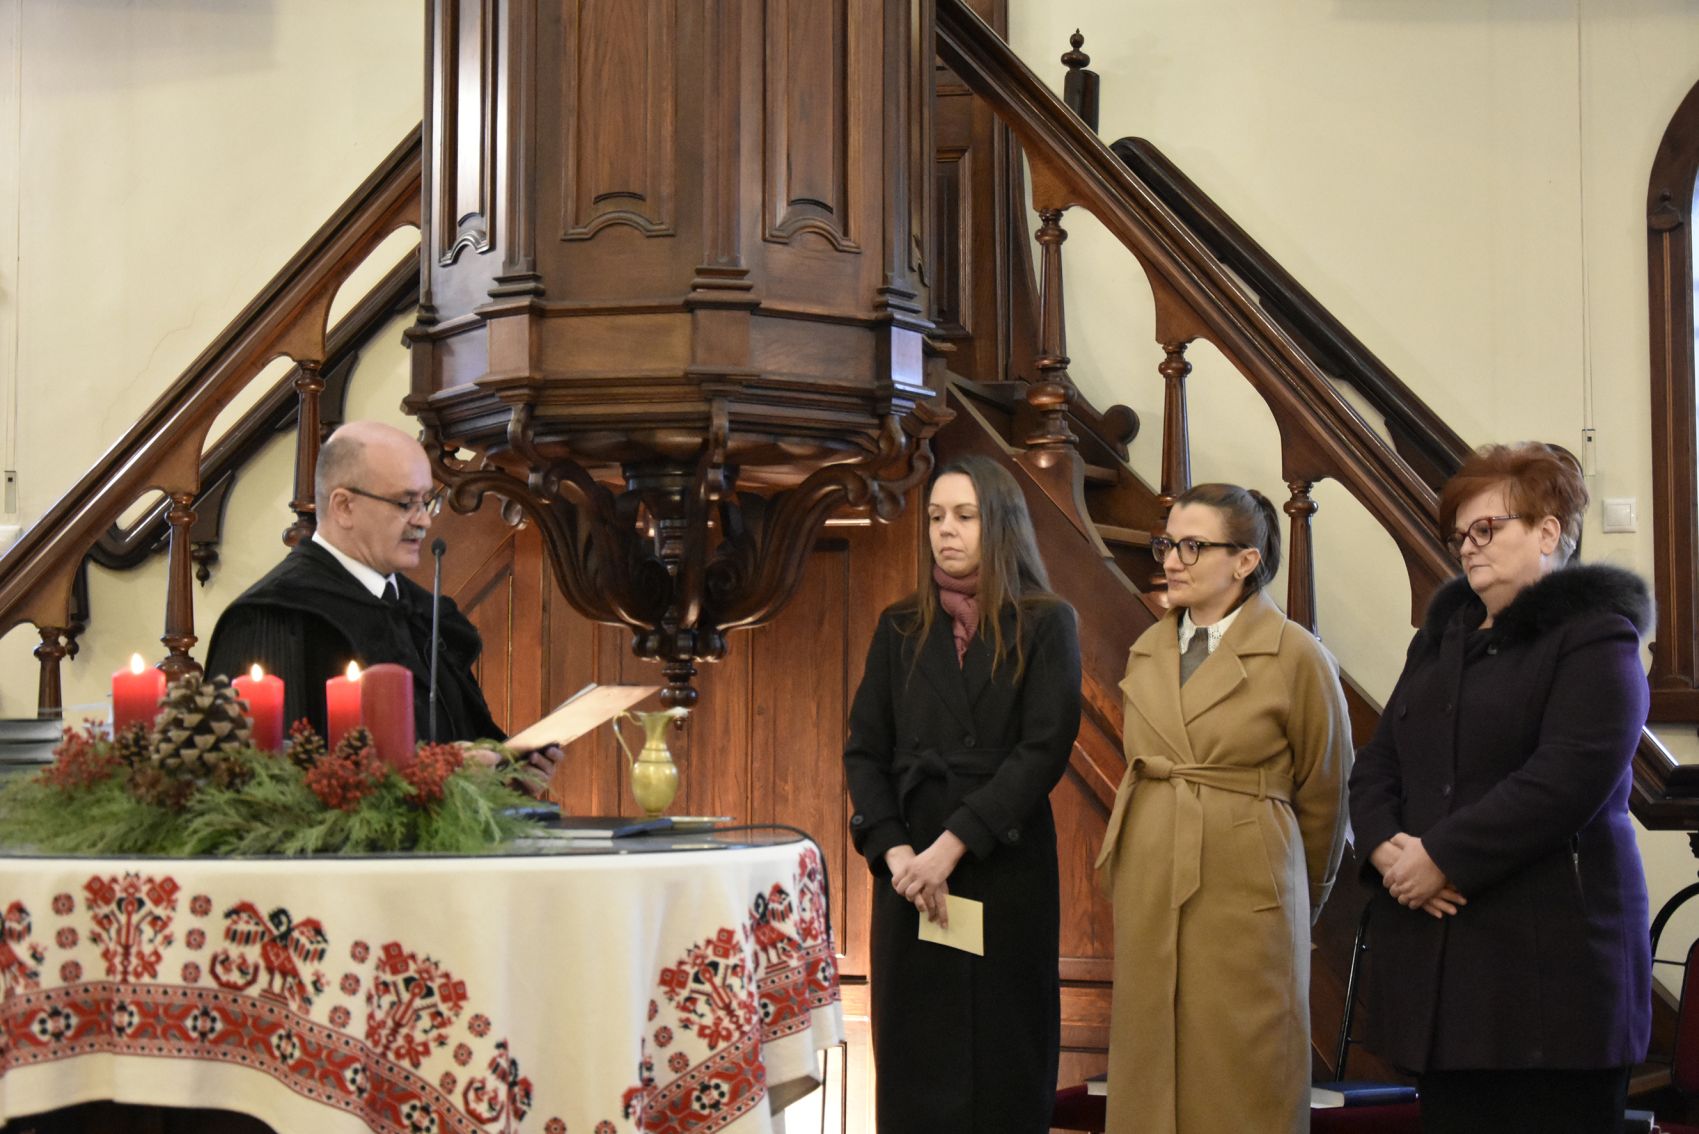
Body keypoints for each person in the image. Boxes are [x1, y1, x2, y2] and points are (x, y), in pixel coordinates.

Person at [1348, 443, 1651, 1133]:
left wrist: (1440, 857)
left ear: (1548, 531)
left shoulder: (1595, 637)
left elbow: (1565, 778)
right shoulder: (1439, 641)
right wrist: (1387, 849)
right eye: (1459, 534)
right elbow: (1379, 762)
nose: (1467, 546)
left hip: (1552, 970)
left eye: (1486, 528)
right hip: (1445, 967)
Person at [1095, 482, 1351, 1134]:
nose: (1170, 560)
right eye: (1166, 544)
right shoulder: (1148, 648)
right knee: (1151, 1060)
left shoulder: (1296, 654)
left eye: (1191, 546)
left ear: (1244, 561)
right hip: (1152, 879)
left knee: (1244, 1069)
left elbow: (1326, 794)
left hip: (1247, 891)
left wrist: (1289, 896)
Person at [843, 455, 1082, 1133]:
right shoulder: (899, 624)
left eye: (965, 516)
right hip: (909, 877)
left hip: (999, 865)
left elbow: (1042, 751)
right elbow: (864, 751)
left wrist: (949, 849)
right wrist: (897, 854)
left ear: (999, 523)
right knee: (917, 1056)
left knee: (1002, 1055)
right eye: (936, 517)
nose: (945, 531)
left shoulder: (1047, 620)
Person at [206, 421, 504, 748]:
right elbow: (270, 772)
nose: (424, 520)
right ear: (344, 506)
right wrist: (448, 769)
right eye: (406, 503)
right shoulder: (273, 618)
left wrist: (514, 763)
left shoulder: (421, 611)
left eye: (426, 501)